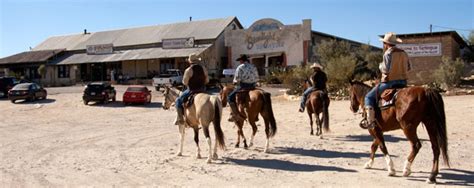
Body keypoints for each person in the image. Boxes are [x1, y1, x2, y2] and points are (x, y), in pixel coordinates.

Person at [364, 32, 411, 128]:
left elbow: (385, 69)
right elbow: (409, 67)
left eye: (384, 43)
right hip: (403, 82)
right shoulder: (403, 52)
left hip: (389, 82)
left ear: (386, 44)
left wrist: (380, 66)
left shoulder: (388, 53)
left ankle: (370, 121)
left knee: (368, 97)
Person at [174, 53, 209, 125]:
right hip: (203, 90)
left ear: (190, 61)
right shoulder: (203, 68)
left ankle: (180, 119)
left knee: (178, 100)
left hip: (192, 90)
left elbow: (184, 82)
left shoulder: (188, 70)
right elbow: (207, 80)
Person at [227, 54, 259, 122]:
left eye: (240, 60)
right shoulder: (253, 66)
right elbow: (257, 77)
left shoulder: (240, 67)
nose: (239, 62)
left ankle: (235, 115)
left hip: (244, 86)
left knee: (230, 97)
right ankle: (256, 115)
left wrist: (235, 82)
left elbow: (237, 79)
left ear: (241, 60)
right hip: (253, 86)